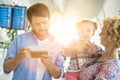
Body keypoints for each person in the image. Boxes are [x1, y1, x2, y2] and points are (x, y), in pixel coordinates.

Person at [4, 3, 64, 80]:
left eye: (44, 22)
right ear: (30, 23)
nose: (42, 27)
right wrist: (18, 57)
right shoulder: (19, 40)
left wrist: (49, 64)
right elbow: (6, 68)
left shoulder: (57, 44)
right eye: (37, 24)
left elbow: (58, 75)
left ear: (49, 20)